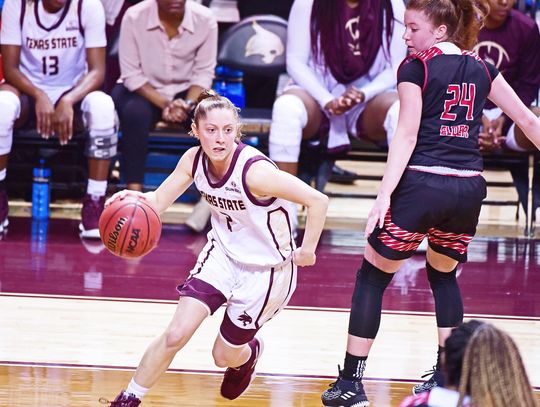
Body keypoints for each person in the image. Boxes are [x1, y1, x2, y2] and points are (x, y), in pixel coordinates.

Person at [320, 0, 540, 405]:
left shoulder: (415, 67)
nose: (405, 36)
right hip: (468, 189)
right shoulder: (484, 68)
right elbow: (528, 122)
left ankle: (350, 383)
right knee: (443, 276)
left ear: (440, 31)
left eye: (413, 28)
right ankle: (445, 376)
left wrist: (382, 195)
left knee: (372, 275)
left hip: (423, 182)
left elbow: (405, 136)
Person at [103, 90, 329, 406]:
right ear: (195, 132)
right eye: (211, 130)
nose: (220, 138)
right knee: (175, 334)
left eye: (227, 130)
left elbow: (318, 200)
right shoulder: (193, 160)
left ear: (237, 131)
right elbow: (158, 202)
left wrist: (308, 249)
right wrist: (130, 199)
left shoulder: (256, 172)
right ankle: (128, 398)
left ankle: (248, 355)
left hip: (266, 272)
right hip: (222, 255)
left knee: (222, 356)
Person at [268, 0, 407, 228]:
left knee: (400, 111)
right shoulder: (308, 3)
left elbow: (397, 66)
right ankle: (283, 217)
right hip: (317, 91)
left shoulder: (392, 4)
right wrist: (326, 99)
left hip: (369, 95)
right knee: (286, 109)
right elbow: (295, 60)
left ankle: (400, 219)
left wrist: (363, 93)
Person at [0, 0, 117, 238]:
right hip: (28, 92)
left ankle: (94, 202)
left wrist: (68, 100)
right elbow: (10, 68)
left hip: (73, 92)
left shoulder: (89, 6)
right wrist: (39, 94)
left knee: (103, 106)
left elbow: (97, 71)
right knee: (1, 106)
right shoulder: (17, 5)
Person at [112, 0, 217, 193]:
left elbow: (203, 73)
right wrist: (166, 104)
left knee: (211, 115)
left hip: (187, 91)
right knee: (135, 113)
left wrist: (185, 104)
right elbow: (131, 74)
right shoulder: (134, 16)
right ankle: (134, 194)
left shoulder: (205, 19)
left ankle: (214, 193)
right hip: (143, 89)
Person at [473, 0, 540, 222]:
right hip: (465, 114)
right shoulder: (461, 25)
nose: (504, 2)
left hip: (511, 114)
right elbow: (450, 78)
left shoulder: (527, 27)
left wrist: (504, 118)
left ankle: (537, 207)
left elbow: (529, 83)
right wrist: (477, 117)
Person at [399, 319, 485, 407]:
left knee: (445, 305)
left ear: (444, 359)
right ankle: (439, 377)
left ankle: (439, 376)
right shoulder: (496, 401)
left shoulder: (413, 403)